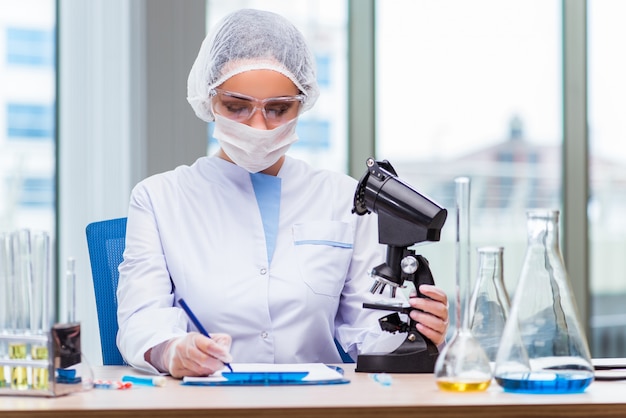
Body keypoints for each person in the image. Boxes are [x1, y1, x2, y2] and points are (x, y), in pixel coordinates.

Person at [116, 8, 449, 378]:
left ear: (303, 103)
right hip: (205, 403)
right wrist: (172, 352)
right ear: (209, 99)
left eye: (278, 109)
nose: (259, 126)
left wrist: (418, 331)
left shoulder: (344, 199)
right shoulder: (160, 198)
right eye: (237, 107)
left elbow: (369, 330)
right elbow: (140, 319)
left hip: (317, 403)